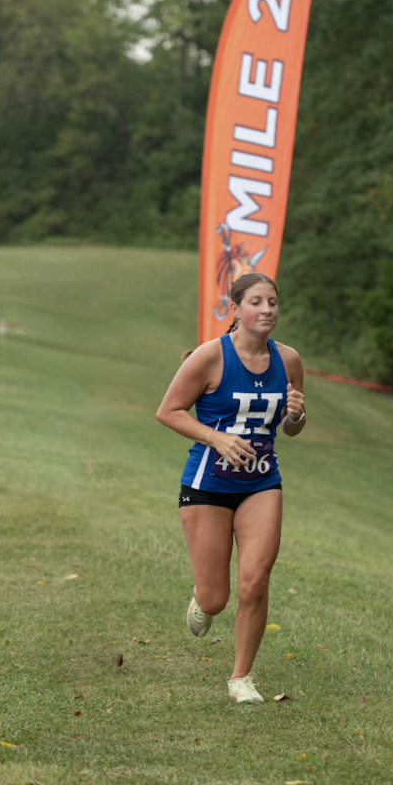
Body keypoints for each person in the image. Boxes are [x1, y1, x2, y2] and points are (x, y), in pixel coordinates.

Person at [155, 272, 306, 705]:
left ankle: (241, 677)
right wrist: (215, 437)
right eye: (256, 302)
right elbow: (168, 411)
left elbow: (292, 429)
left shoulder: (289, 360)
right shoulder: (209, 357)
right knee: (217, 598)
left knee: (255, 582)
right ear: (235, 309)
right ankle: (202, 599)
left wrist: (296, 415)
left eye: (273, 302)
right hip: (208, 483)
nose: (267, 310)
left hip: (262, 482)